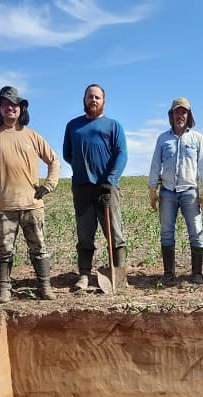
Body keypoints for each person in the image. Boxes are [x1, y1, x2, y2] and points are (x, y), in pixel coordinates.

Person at [0, 85, 61, 303]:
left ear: (21, 109)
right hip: (3, 206)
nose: (10, 108)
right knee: (3, 250)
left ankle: (45, 286)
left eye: (14, 105)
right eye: (5, 104)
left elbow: (54, 160)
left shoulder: (33, 136)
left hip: (32, 205)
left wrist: (48, 185)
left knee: (39, 248)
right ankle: (4, 289)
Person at [63, 83, 128, 291]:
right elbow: (67, 153)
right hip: (82, 187)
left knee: (114, 233)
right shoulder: (73, 126)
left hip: (107, 188)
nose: (93, 100)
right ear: (84, 100)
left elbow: (121, 154)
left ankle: (118, 273)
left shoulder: (113, 126)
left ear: (103, 102)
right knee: (84, 233)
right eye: (90, 97)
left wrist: (110, 179)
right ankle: (84, 274)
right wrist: (83, 168)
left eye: (97, 97)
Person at [148, 97, 203, 285]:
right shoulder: (163, 139)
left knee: (196, 230)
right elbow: (155, 165)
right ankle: (169, 273)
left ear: (189, 115)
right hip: (167, 192)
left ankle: (197, 273)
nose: (180, 115)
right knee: (167, 231)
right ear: (171, 115)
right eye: (177, 112)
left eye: (183, 112)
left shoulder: (197, 138)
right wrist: (153, 189)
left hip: (189, 192)